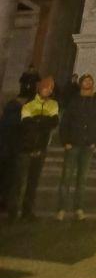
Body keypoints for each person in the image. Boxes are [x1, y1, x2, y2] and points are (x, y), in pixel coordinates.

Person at [8, 77, 58, 221]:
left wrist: (37, 120)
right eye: (46, 87)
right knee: (19, 182)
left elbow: (53, 122)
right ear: (40, 88)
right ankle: (13, 211)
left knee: (33, 182)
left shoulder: (53, 104)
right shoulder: (29, 104)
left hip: (41, 147)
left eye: (50, 88)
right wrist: (43, 121)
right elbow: (26, 123)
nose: (48, 90)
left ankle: (27, 211)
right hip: (25, 147)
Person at [57, 73, 96, 220]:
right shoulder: (74, 101)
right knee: (66, 177)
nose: (87, 83)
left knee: (81, 179)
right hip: (73, 143)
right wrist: (66, 141)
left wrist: (95, 140)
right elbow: (65, 122)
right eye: (85, 81)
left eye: (90, 81)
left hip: (87, 144)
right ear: (81, 83)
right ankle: (61, 208)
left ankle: (79, 208)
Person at [0, 93, 27, 211]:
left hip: (5, 150)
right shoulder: (19, 119)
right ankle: (6, 202)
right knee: (9, 179)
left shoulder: (5, 119)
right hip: (13, 152)